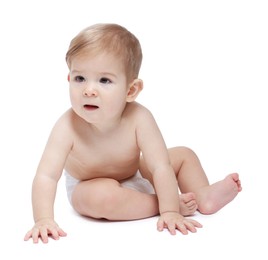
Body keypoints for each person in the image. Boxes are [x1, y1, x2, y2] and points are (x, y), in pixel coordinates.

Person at [24, 23, 242, 243]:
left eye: (104, 80)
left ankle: (201, 195)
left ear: (131, 90)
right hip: (89, 185)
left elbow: (160, 166)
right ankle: (164, 202)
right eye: (80, 78)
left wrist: (171, 213)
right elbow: (46, 176)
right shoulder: (67, 126)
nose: (89, 90)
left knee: (183, 155)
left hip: (135, 172)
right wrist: (43, 219)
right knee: (98, 197)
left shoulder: (139, 118)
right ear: (69, 79)